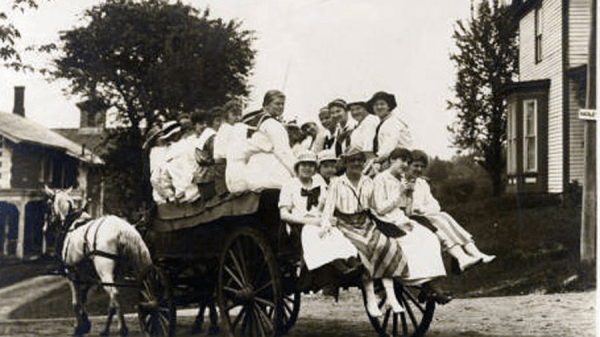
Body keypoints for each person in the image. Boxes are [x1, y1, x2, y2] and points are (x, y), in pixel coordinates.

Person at [320, 146, 407, 317]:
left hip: (365, 221)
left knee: (386, 245)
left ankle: (390, 296)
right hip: (345, 223)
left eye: (360, 160)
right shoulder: (337, 182)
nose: (357, 164)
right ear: (345, 163)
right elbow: (328, 208)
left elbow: (376, 207)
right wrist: (326, 225)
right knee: (364, 248)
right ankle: (370, 298)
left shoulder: (368, 181)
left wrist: (393, 220)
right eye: (352, 160)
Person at [371, 148, 452, 305]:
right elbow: (380, 208)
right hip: (383, 220)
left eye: (407, 162)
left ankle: (430, 283)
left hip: (400, 219)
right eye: (401, 160)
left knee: (429, 237)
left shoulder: (400, 180)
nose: (405, 164)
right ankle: (421, 282)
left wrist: (408, 196)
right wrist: (400, 193)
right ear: (391, 161)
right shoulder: (380, 179)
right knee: (411, 241)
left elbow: (406, 211)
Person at [405, 150, 496, 270]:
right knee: (439, 219)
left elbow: (435, 204)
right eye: (415, 166)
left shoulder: (422, 183)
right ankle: (461, 257)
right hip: (411, 219)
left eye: (422, 166)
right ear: (408, 165)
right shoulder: (403, 183)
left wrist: (423, 209)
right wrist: (423, 209)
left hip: (427, 216)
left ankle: (475, 253)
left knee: (444, 216)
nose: (419, 169)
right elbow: (410, 208)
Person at [279, 151, 357, 274]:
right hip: (300, 224)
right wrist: (310, 221)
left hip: (320, 220)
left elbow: (326, 206)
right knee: (314, 232)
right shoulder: (289, 185)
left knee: (335, 232)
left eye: (310, 165)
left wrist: (328, 217)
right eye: (303, 165)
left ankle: (351, 260)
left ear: (315, 168)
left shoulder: (319, 183)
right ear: (297, 167)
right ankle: (338, 264)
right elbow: (283, 214)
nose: (307, 168)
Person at [240, 90, 296, 191]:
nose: (280, 107)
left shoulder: (254, 122)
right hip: (272, 176)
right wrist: (296, 173)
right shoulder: (272, 124)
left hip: (253, 174)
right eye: (277, 103)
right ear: (266, 105)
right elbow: (283, 152)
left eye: (282, 104)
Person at [366, 91, 413, 175]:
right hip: (389, 160)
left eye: (382, 104)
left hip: (399, 162)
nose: (379, 107)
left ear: (389, 106)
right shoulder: (383, 123)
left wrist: (374, 162)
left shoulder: (393, 123)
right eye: (376, 105)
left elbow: (387, 149)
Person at [213, 99, 243, 196]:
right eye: (234, 114)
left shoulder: (230, 128)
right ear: (226, 115)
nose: (238, 118)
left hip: (227, 162)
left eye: (240, 114)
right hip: (223, 164)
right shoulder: (227, 129)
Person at [191, 109, 218, 201]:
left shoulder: (209, 136)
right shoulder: (197, 138)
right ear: (194, 125)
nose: (204, 126)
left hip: (209, 175)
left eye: (206, 123)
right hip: (205, 177)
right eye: (201, 124)